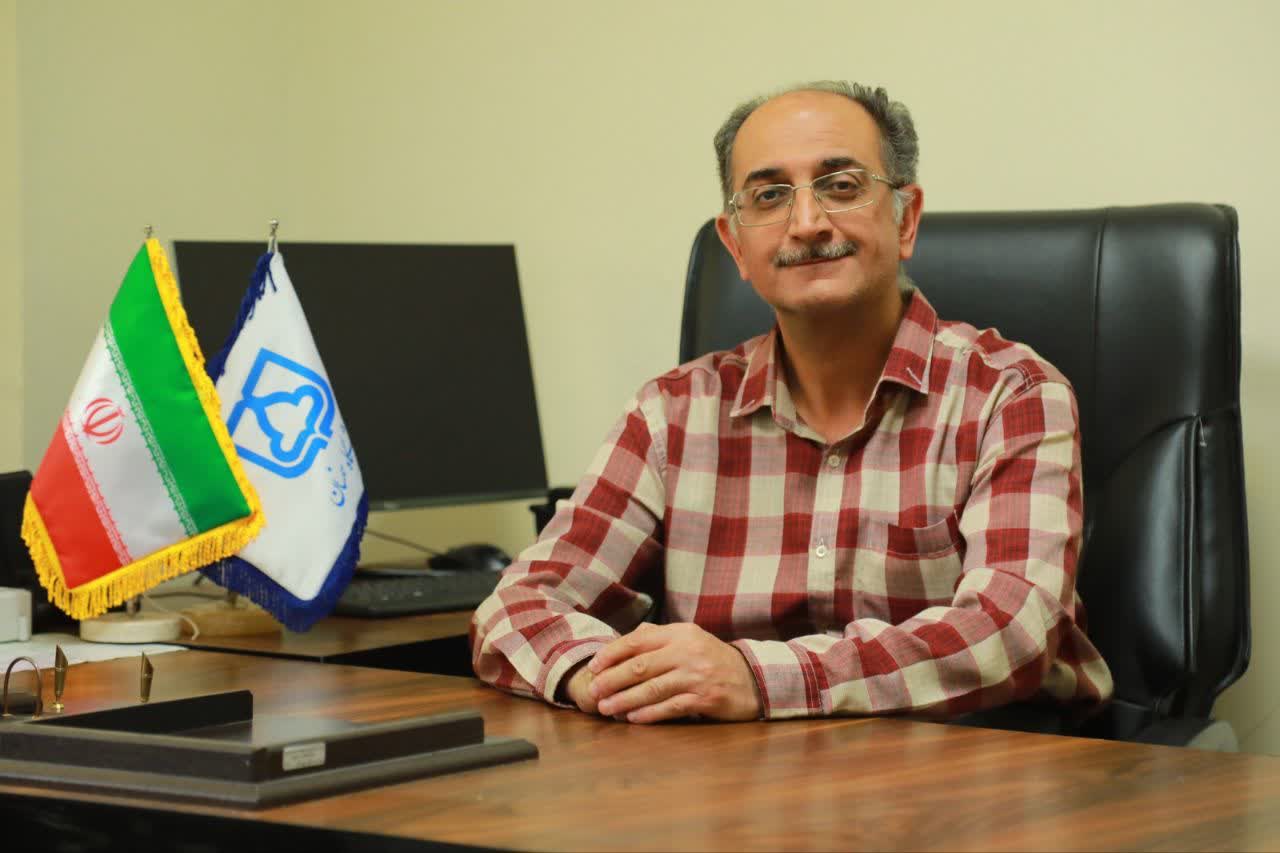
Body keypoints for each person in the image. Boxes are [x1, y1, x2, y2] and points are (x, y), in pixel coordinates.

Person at [470, 81, 1113, 724]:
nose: (806, 224)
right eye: (770, 196)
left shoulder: (1010, 395)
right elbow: (516, 607)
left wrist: (757, 679)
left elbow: (1010, 634)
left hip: (983, 762)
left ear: (906, 219)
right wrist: (600, 677)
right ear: (735, 245)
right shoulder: (673, 414)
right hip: (733, 774)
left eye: (842, 186)